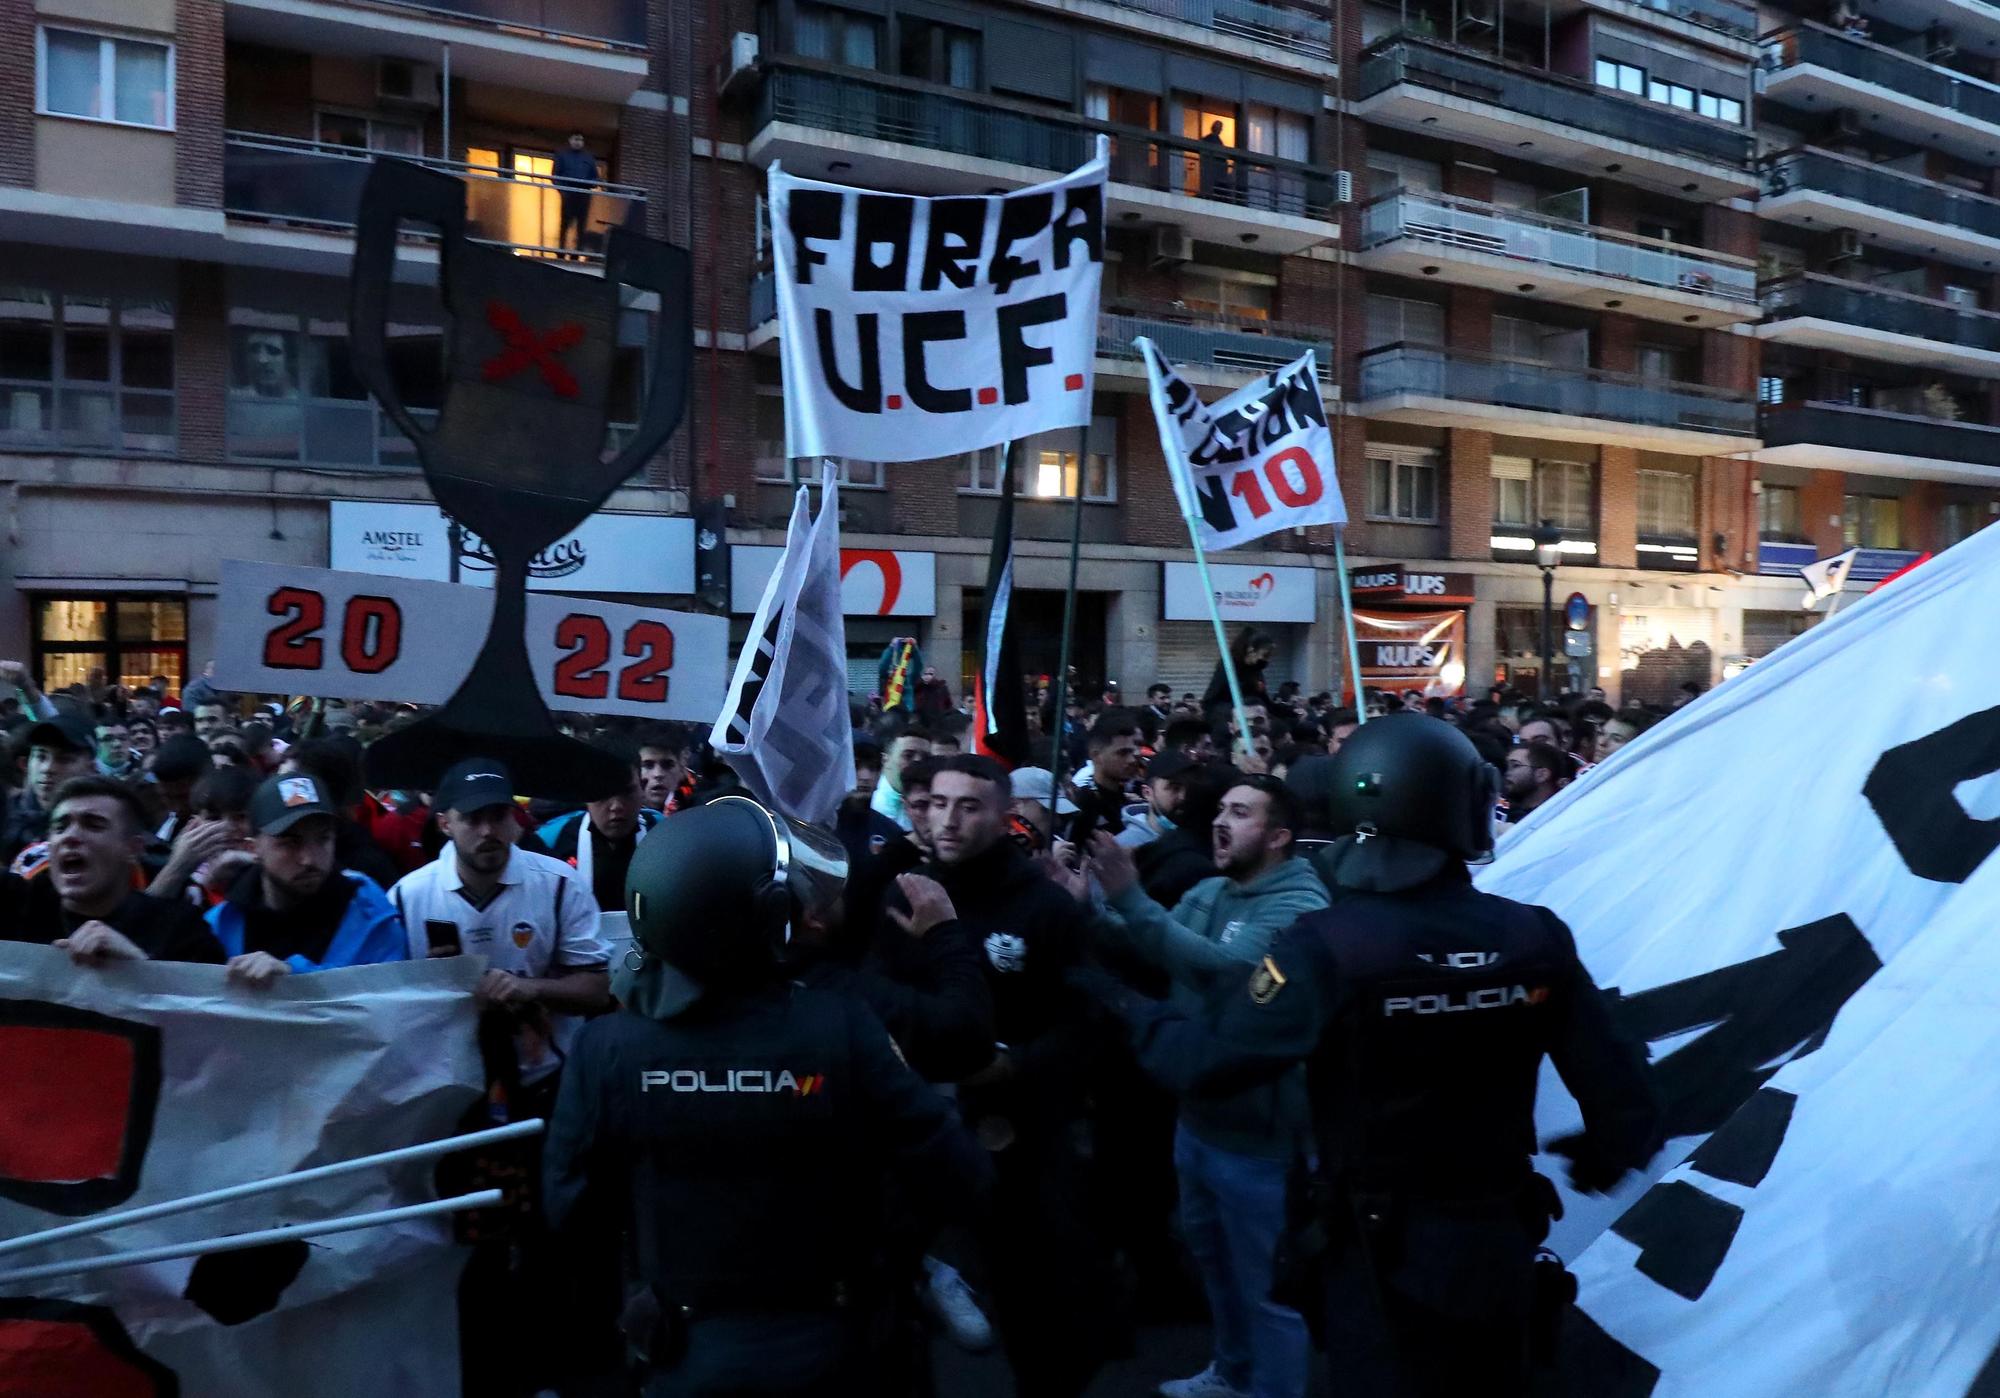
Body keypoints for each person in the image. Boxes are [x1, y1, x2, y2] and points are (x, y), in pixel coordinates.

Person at [1075, 715, 1663, 1398]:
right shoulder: (1531, 936)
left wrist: (1120, 1001)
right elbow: (1626, 1097)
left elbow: (1204, 1061)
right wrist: (1602, 1154)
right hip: (1493, 1242)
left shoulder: (1324, 946)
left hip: (1377, 1255)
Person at [544, 795, 992, 1397]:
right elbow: (957, 1173)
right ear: (766, 918)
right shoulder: (841, 1027)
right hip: (839, 1344)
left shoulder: (607, 1049)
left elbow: (574, 1212)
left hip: (684, 1347)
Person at [1090, 775, 1329, 1398]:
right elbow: (1151, 944)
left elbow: (1223, 969)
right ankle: (1232, 1370)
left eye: (1241, 812)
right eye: (1221, 809)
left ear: (1278, 836)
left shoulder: (1301, 905)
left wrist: (1130, 897)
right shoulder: (1210, 889)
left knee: (1269, 1291)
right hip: (1197, 1121)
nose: (1221, 821)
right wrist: (1086, 904)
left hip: (1263, 1143)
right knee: (1215, 1267)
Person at [392, 757, 617, 1397]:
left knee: (555, 1233)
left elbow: (598, 989)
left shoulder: (555, 884)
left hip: (546, 1090)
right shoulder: (409, 896)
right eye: (475, 819)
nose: (491, 832)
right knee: (469, 1246)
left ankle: (555, 1370)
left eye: (502, 817)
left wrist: (530, 988)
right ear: (445, 824)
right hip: (454, 1100)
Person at [918, 755, 1113, 1398]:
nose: (947, 819)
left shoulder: (1043, 907)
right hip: (918, 1128)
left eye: (968, 806)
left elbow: (1085, 1022)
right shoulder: (907, 893)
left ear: (1004, 818)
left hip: (1020, 1134)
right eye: (937, 803)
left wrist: (1013, 1064)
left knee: (1037, 1293)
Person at [206, 773, 409, 984]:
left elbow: (387, 1002)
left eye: (323, 839)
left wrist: (296, 980)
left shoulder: (374, 918)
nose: (309, 859)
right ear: (253, 847)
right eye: (290, 843)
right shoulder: (220, 925)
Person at [0, 776, 225, 964]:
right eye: (61, 827)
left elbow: (206, 1010)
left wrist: (139, 969)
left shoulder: (181, 929)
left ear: (133, 848)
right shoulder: (15, 907)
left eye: (94, 825)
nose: (70, 836)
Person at [536, 739, 663, 912]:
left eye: (627, 792)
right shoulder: (553, 840)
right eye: (604, 793)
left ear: (642, 787)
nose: (616, 806)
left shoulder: (663, 835)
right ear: (585, 792)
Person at [4, 712, 98, 869]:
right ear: (26, 763)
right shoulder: (6, 815)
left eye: (64, 759)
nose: (47, 768)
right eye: (41, 757)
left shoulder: (107, 822)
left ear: (91, 768)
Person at [1067, 708, 1144, 840]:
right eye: (1122, 753)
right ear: (1096, 756)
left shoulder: (1123, 797)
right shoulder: (1086, 807)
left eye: (1132, 752)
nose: (1132, 760)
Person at [869, 725, 933, 832]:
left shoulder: (932, 806)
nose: (917, 762)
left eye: (925, 758)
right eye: (908, 756)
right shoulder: (868, 801)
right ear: (885, 760)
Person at [551, 131, 600, 259]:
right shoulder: (562, 155)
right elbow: (555, 175)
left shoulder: (588, 158)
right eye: (575, 139)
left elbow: (595, 178)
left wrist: (589, 184)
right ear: (570, 140)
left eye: (580, 140)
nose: (578, 142)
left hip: (583, 195)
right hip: (568, 194)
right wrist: (563, 191)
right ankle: (561, 250)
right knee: (565, 223)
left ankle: (576, 252)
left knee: (581, 225)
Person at [1205, 629, 1274, 713]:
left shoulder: (1255, 671)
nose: (1266, 660)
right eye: (1265, 655)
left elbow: (1265, 700)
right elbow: (1210, 700)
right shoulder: (1228, 666)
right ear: (1251, 650)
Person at [637, 722, 695, 813]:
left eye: (667, 765)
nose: (658, 774)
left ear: (681, 767)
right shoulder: (621, 811)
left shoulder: (700, 806)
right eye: (648, 765)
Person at [1502, 741, 1565, 823]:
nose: (1507, 772)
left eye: (1515, 765)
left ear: (1542, 775)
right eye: (1506, 766)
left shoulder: (1558, 817)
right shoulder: (1505, 813)